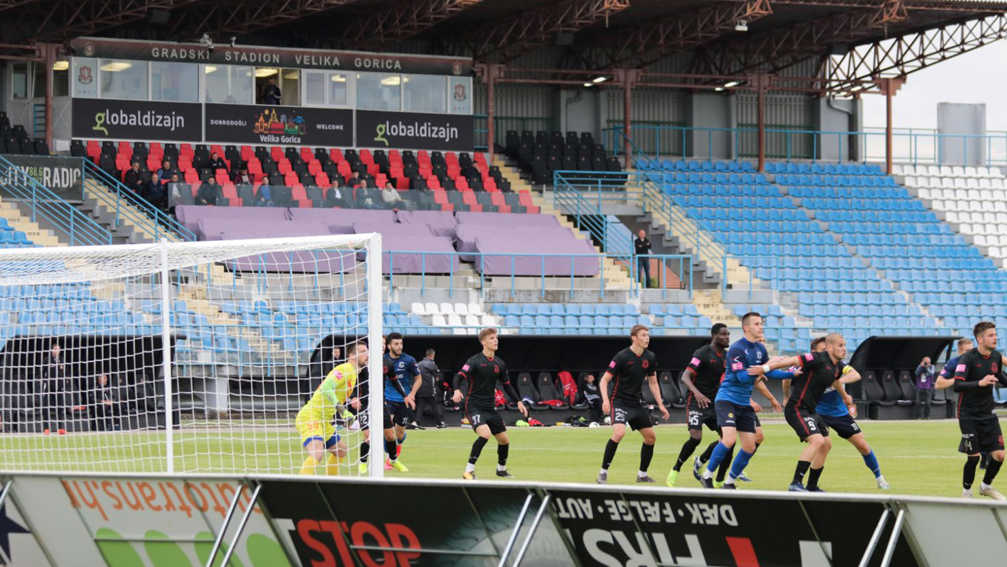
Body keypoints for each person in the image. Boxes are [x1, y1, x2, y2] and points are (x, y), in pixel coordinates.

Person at [700, 313, 794, 489]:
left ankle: (729, 481)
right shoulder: (737, 349)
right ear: (746, 328)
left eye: (761, 323)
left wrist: (791, 373)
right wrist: (766, 366)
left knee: (750, 446)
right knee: (728, 440)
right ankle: (707, 475)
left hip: (743, 403)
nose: (761, 327)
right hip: (727, 400)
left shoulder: (760, 349)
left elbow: (769, 371)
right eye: (757, 324)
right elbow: (743, 377)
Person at [764, 333, 855, 492]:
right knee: (817, 441)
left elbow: (837, 382)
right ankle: (795, 483)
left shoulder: (837, 367)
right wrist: (765, 368)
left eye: (845, 345)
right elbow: (792, 361)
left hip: (811, 410)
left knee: (826, 444)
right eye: (840, 345)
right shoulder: (817, 358)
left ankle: (812, 485)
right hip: (797, 408)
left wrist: (845, 397)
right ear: (830, 347)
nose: (844, 349)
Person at [805, 337, 889, 489]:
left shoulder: (838, 365)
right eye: (822, 350)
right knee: (824, 445)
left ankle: (879, 478)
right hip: (817, 412)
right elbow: (789, 375)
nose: (826, 353)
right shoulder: (809, 366)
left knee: (862, 445)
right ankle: (811, 485)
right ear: (814, 352)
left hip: (838, 413)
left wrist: (838, 382)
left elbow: (856, 375)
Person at [939, 321, 1007, 500]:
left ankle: (985, 486)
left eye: (995, 334)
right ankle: (966, 492)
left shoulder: (996, 357)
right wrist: (980, 383)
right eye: (991, 335)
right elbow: (958, 385)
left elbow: (1000, 376)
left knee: (999, 455)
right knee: (974, 456)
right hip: (968, 414)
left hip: (988, 414)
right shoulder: (967, 358)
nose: (995, 338)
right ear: (980, 338)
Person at [596, 325, 669, 484]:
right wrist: (606, 400)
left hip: (636, 403)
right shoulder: (622, 356)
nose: (647, 338)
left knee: (650, 438)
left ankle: (642, 475)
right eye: (643, 335)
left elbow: (653, 382)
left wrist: (660, 404)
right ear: (634, 338)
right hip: (619, 402)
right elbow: (604, 380)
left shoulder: (650, 357)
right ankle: (602, 473)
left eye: (648, 335)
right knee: (619, 433)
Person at [452, 328, 527, 480]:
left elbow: (507, 385)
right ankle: (468, 471)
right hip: (473, 406)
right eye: (492, 338)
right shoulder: (474, 361)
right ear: (483, 342)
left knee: (504, 440)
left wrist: (518, 401)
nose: (496, 340)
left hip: (489, 408)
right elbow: (458, 376)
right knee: (485, 434)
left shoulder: (500, 363)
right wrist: (456, 390)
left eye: (496, 338)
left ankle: (501, 470)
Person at [295, 341, 366, 475]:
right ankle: (300, 489)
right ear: (351, 355)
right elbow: (327, 388)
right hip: (311, 416)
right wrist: (343, 411)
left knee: (341, 451)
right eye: (362, 351)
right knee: (317, 453)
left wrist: (348, 406)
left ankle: (331, 482)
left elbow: (335, 394)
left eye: (366, 351)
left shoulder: (353, 374)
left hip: (324, 421)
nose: (366, 354)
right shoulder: (344, 369)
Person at [937, 338, 984, 467]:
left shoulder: (980, 360)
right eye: (967, 351)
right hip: (966, 406)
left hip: (984, 403)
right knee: (973, 437)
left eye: (972, 350)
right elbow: (939, 384)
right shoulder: (953, 363)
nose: (971, 354)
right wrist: (957, 379)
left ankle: (984, 458)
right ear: (959, 352)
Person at [382, 332, 420, 472]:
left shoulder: (409, 360)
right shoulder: (383, 360)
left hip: (404, 401)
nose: (399, 346)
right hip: (387, 399)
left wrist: (412, 394)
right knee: (389, 432)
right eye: (396, 344)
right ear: (389, 346)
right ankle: (389, 459)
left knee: (399, 435)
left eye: (401, 344)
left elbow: (418, 378)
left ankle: (397, 446)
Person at [39, 341, 67, 435]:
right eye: (55, 349)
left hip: (59, 387)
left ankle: (61, 429)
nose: (57, 351)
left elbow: (64, 372)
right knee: (46, 407)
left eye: (58, 349)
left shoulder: (61, 360)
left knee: (59, 408)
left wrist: (65, 380)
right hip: (49, 387)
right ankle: (46, 428)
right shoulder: (46, 360)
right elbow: (42, 372)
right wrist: (44, 381)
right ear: (52, 350)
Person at [415, 348, 445, 428]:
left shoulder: (419, 364)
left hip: (419, 388)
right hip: (429, 389)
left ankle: (416, 422)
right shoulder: (432, 364)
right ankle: (439, 423)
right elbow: (438, 378)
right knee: (435, 406)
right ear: (432, 355)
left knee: (420, 406)